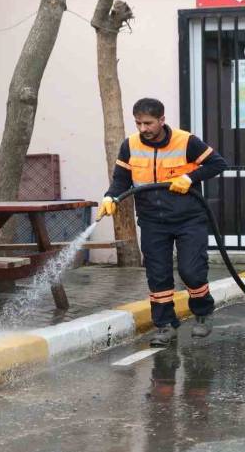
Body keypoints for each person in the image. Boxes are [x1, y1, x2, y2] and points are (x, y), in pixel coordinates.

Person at [97, 98, 227, 347]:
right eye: (138, 123)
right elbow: (121, 179)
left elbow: (217, 164)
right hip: (152, 220)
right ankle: (165, 326)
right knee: (158, 275)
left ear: (162, 120)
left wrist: (189, 178)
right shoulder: (130, 145)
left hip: (189, 218)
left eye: (148, 123)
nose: (143, 128)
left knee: (192, 270)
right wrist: (110, 197)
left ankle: (202, 313)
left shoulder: (186, 141)